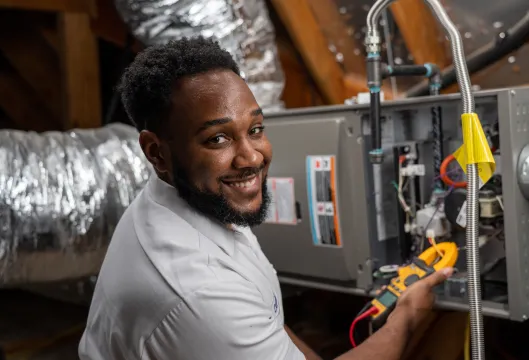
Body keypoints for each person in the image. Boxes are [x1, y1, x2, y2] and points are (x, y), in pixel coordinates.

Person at [78, 37, 453, 360]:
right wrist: (407, 319)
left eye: (255, 129)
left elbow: (268, 322)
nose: (252, 158)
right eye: (217, 139)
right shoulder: (199, 291)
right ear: (156, 153)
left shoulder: (194, 201)